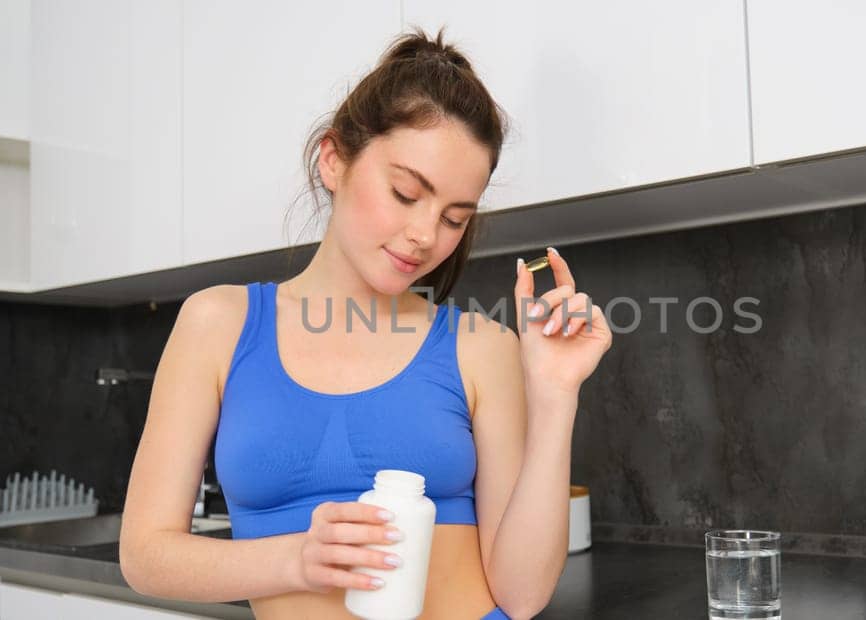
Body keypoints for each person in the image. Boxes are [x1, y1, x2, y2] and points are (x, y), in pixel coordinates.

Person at [119, 28, 613, 619]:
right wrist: (295, 560)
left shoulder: (481, 346)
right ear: (334, 160)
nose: (426, 235)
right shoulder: (217, 324)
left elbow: (523, 594)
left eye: (455, 218)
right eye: (406, 193)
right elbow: (145, 556)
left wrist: (555, 397)